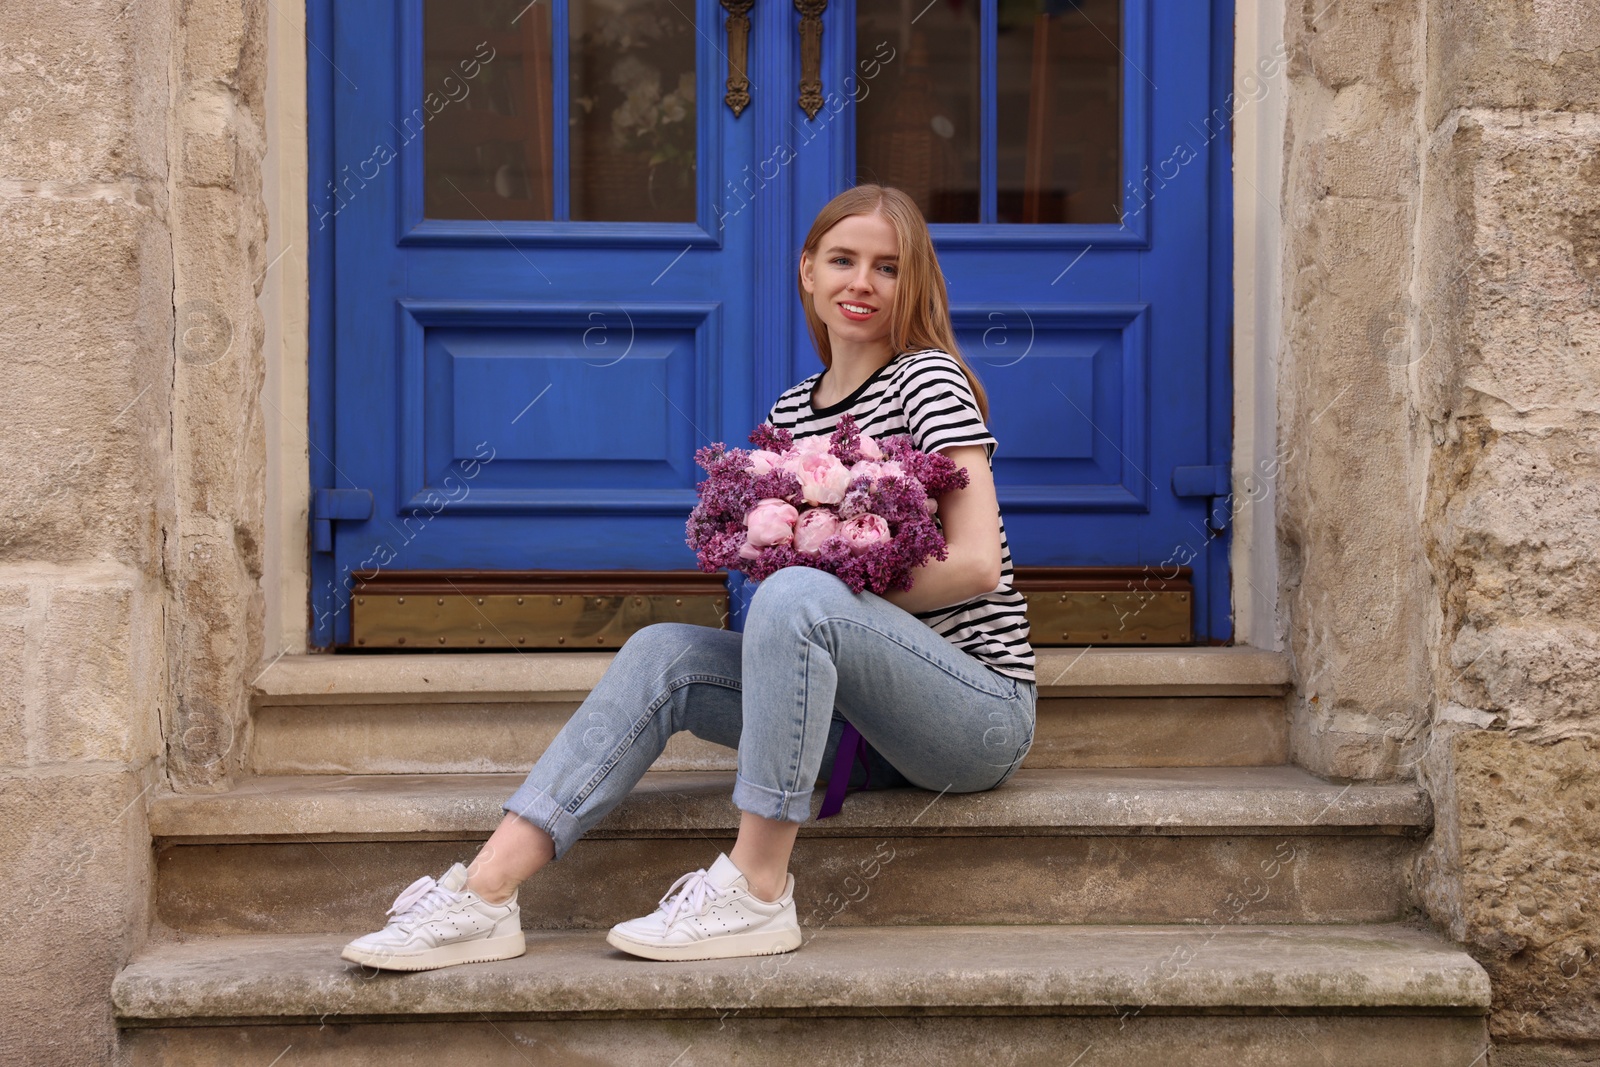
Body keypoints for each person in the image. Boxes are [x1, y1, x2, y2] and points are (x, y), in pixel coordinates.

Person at [340, 184, 1037, 971]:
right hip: (855, 731)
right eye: (842, 260)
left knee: (798, 594)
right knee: (661, 651)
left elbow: (979, 563)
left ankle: (757, 889)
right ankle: (484, 894)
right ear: (807, 270)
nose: (862, 283)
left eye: (887, 267)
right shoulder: (793, 410)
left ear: (914, 284)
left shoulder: (927, 379)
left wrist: (829, 587)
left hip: (971, 715)